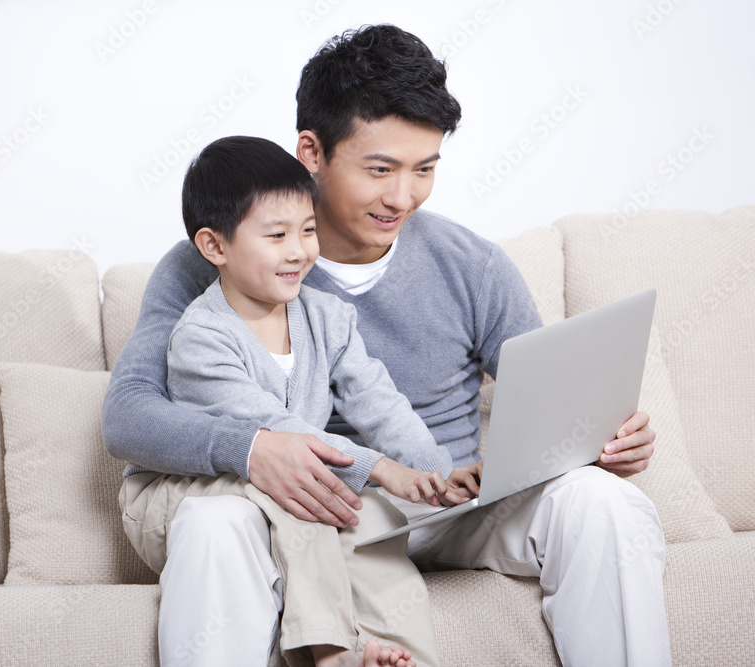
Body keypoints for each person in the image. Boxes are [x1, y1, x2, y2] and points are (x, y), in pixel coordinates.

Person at [104, 23, 669, 667]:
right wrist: (254, 448)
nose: (403, 197)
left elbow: (544, 401)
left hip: (447, 499)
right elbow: (128, 416)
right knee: (212, 522)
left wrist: (598, 440)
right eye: (380, 169)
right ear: (312, 152)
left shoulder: (471, 265)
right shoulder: (217, 262)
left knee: (606, 504)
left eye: (424, 169)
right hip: (312, 510)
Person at [122, 135, 478, 667]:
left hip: (287, 477)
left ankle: (406, 658)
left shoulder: (326, 317)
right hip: (184, 494)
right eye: (276, 235)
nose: (300, 250)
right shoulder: (201, 337)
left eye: (308, 230)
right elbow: (277, 433)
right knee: (301, 492)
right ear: (214, 247)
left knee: (372, 519)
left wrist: (431, 473)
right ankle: (330, 650)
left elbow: (378, 400)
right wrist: (382, 468)